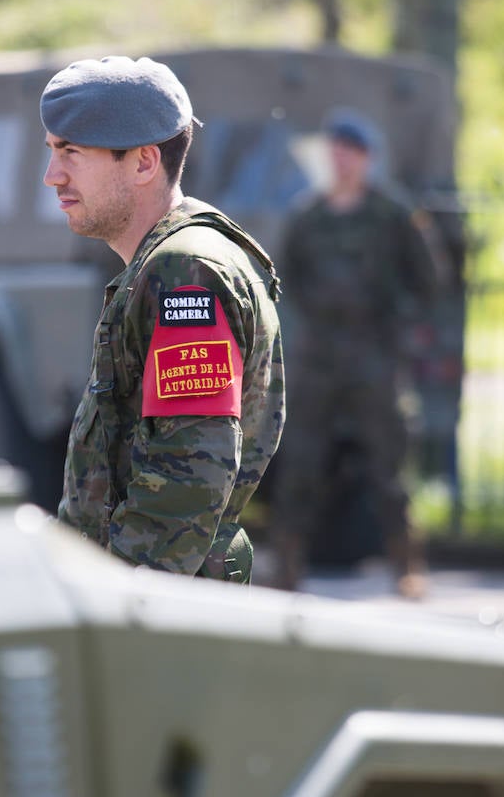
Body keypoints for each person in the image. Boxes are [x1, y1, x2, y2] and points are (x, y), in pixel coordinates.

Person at [42, 56, 285, 583]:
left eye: (72, 153)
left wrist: (121, 597)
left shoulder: (184, 270)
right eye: (53, 152)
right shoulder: (163, 264)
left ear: (144, 162)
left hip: (156, 605)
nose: (52, 176)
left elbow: (189, 475)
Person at [270, 109, 445, 596]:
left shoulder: (392, 215)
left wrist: (397, 326)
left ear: (367, 159)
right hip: (320, 355)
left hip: (375, 354)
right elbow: (288, 279)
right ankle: (286, 564)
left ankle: (407, 564)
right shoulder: (307, 215)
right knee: (301, 462)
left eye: (352, 152)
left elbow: (429, 280)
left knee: (389, 465)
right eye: (336, 152)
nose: (342, 161)